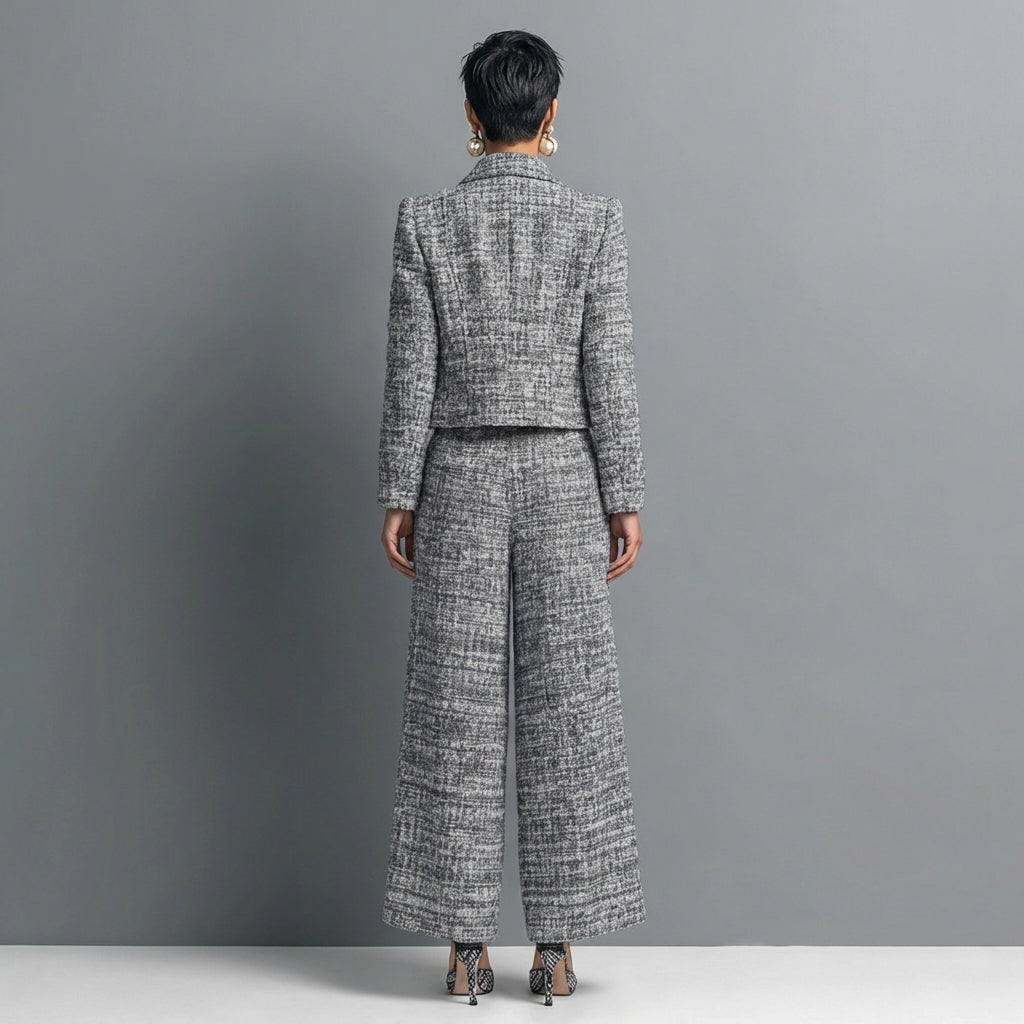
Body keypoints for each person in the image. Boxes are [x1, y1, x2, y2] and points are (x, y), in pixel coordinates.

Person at [377, 29, 647, 1006]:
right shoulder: (593, 222)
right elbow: (607, 368)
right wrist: (622, 493)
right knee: (569, 709)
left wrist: (399, 491)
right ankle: (557, 950)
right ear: (550, 114)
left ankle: (462, 949)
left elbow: (411, 372)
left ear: (470, 115)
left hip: (457, 473)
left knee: (454, 710)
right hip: (563, 475)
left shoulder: (426, 223)